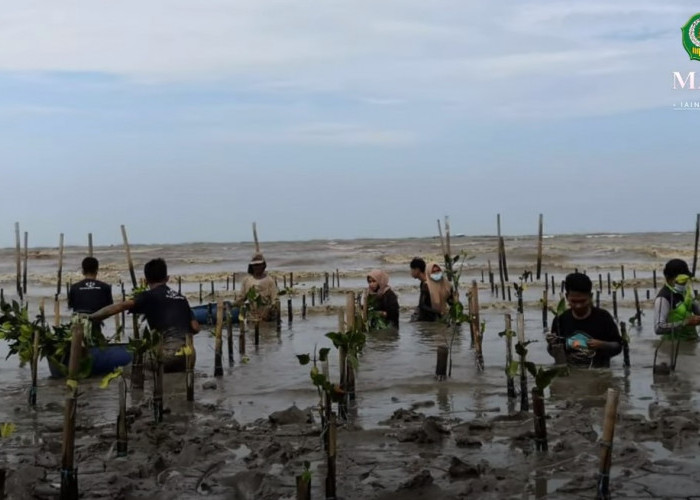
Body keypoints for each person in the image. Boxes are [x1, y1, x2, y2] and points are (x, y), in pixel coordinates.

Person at [89, 258, 200, 372]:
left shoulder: (148, 296)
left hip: (168, 354)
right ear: (167, 278)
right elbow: (196, 328)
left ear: (146, 281)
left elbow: (120, 306)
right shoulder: (181, 298)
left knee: (127, 372)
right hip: (189, 355)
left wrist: (92, 317)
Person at [547, 272, 622, 368]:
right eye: (573, 301)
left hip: (598, 373)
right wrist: (551, 344)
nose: (578, 306)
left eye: (583, 301)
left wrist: (602, 344)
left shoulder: (603, 318)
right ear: (566, 297)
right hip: (571, 373)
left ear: (590, 296)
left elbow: (618, 347)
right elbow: (554, 352)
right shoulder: (560, 320)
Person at [653, 258, 700, 341]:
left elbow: (698, 311)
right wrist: (685, 323)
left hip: (692, 342)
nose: (685, 283)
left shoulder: (686, 292)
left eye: (686, 280)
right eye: (682, 281)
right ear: (671, 279)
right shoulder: (663, 298)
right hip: (673, 347)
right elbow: (658, 328)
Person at [68, 257, 113, 339]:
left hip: (77, 324)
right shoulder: (105, 287)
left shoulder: (74, 287)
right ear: (97, 270)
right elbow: (109, 308)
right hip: (96, 322)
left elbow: (71, 306)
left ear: (83, 271)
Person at [237, 253, 279, 321]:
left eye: (259, 265)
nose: (257, 267)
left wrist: (269, 311)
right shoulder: (247, 280)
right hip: (251, 316)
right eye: (255, 265)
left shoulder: (269, 280)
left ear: (263, 266)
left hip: (266, 317)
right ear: (252, 266)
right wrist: (233, 305)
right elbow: (241, 298)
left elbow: (275, 300)